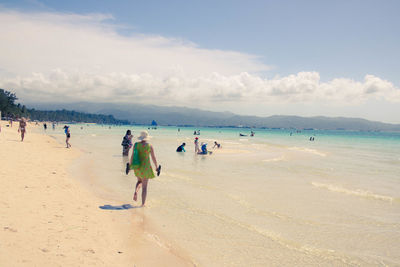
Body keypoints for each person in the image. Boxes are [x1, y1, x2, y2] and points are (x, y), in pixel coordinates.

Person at [130, 131, 160, 207]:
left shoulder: (136, 145)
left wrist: (130, 165)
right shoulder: (149, 146)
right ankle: (143, 204)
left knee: (139, 181)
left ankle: (136, 192)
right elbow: (153, 157)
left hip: (137, 167)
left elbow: (132, 156)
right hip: (145, 167)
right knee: (144, 187)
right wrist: (156, 167)